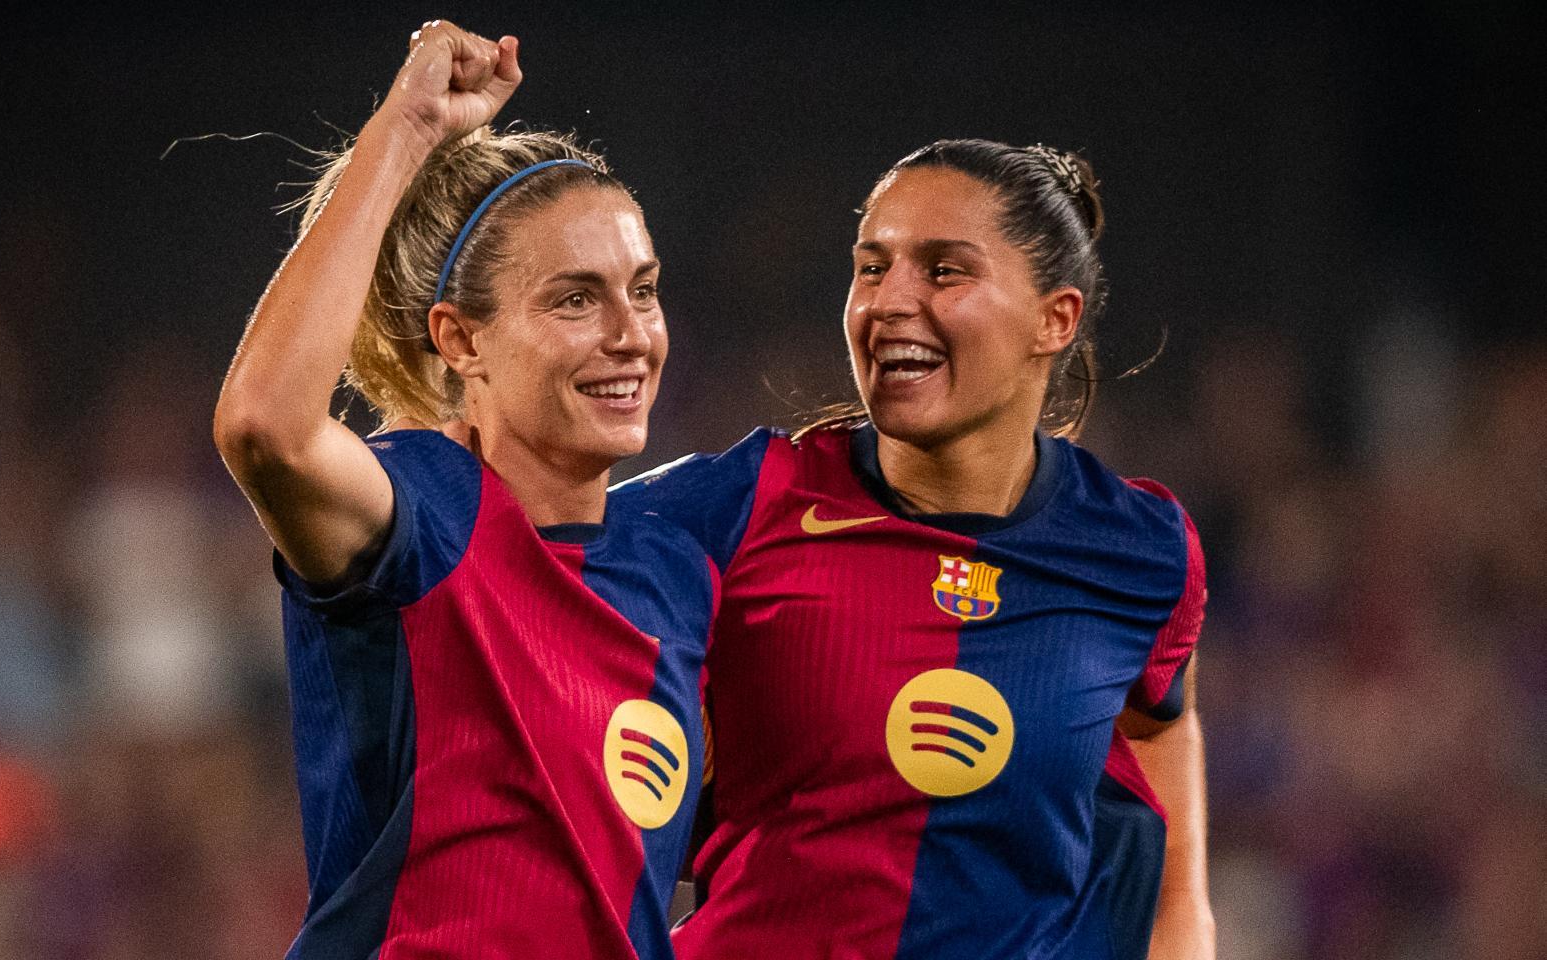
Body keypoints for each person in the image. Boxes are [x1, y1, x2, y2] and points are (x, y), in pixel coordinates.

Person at [613, 139, 1213, 958]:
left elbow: (1157, 742)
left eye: (943, 271)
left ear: (1055, 319)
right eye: (871, 268)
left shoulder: (1142, 549)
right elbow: (500, 554)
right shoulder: (738, 507)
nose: (888, 300)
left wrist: (1182, 931)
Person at [213, 21, 712, 960]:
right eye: (575, 299)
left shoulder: (677, 574)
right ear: (460, 339)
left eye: (643, 290)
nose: (630, 335)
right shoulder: (429, 513)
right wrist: (404, 131)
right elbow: (265, 428)